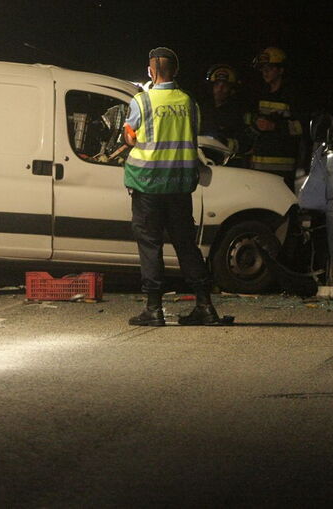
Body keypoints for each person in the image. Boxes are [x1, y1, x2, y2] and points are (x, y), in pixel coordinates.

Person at [123, 47, 225, 326]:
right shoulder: (189, 102)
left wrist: (129, 134)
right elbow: (191, 138)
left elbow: (130, 138)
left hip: (148, 184)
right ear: (175, 71)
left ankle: (154, 309)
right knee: (185, 244)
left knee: (150, 244)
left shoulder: (142, 101)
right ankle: (205, 306)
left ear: (150, 70)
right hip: (180, 185)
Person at [248, 46, 305, 189]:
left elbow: (302, 127)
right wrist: (255, 123)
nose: (265, 72)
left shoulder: (292, 96)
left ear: (281, 70)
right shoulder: (259, 94)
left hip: (283, 170)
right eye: (263, 68)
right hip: (258, 167)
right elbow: (248, 119)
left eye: (270, 68)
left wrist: (275, 126)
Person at [200, 63, 250, 159]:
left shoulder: (238, 112)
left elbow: (246, 143)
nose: (220, 89)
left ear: (232, 89)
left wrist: (223, 143)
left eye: (225, 85)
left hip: (231, 164)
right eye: (217, 84)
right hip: (205, 162)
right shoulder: (203, 109)